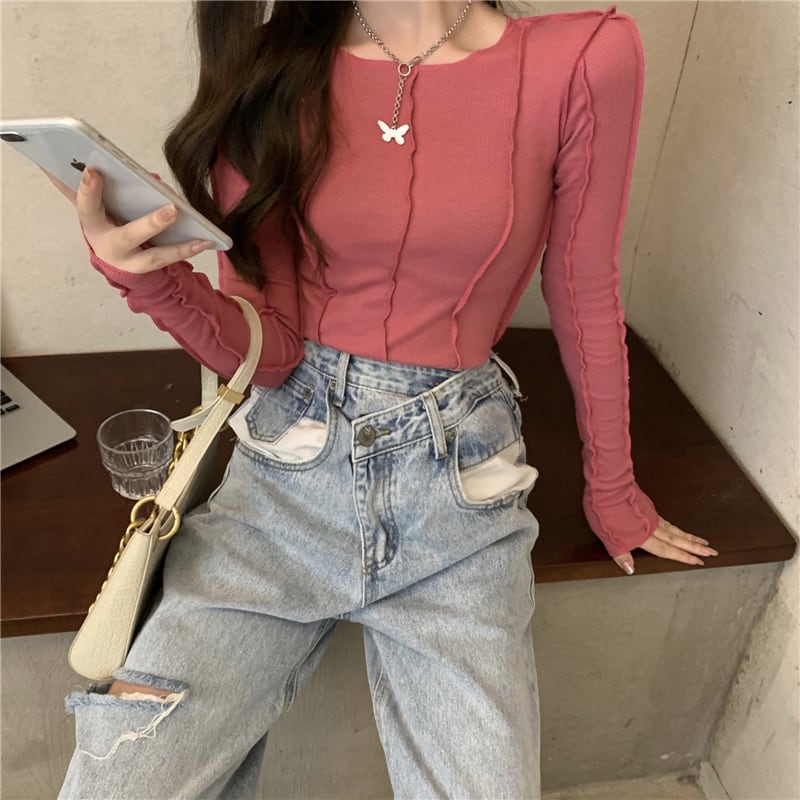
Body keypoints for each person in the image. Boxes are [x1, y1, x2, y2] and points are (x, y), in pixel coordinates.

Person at [50, 1, 717, 798]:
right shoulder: (270, 66)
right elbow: (267, 355)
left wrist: (614, 492)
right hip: (284, 482)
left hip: (457, 497)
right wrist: (144, 274)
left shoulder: (583, 57)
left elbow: (584, 288)